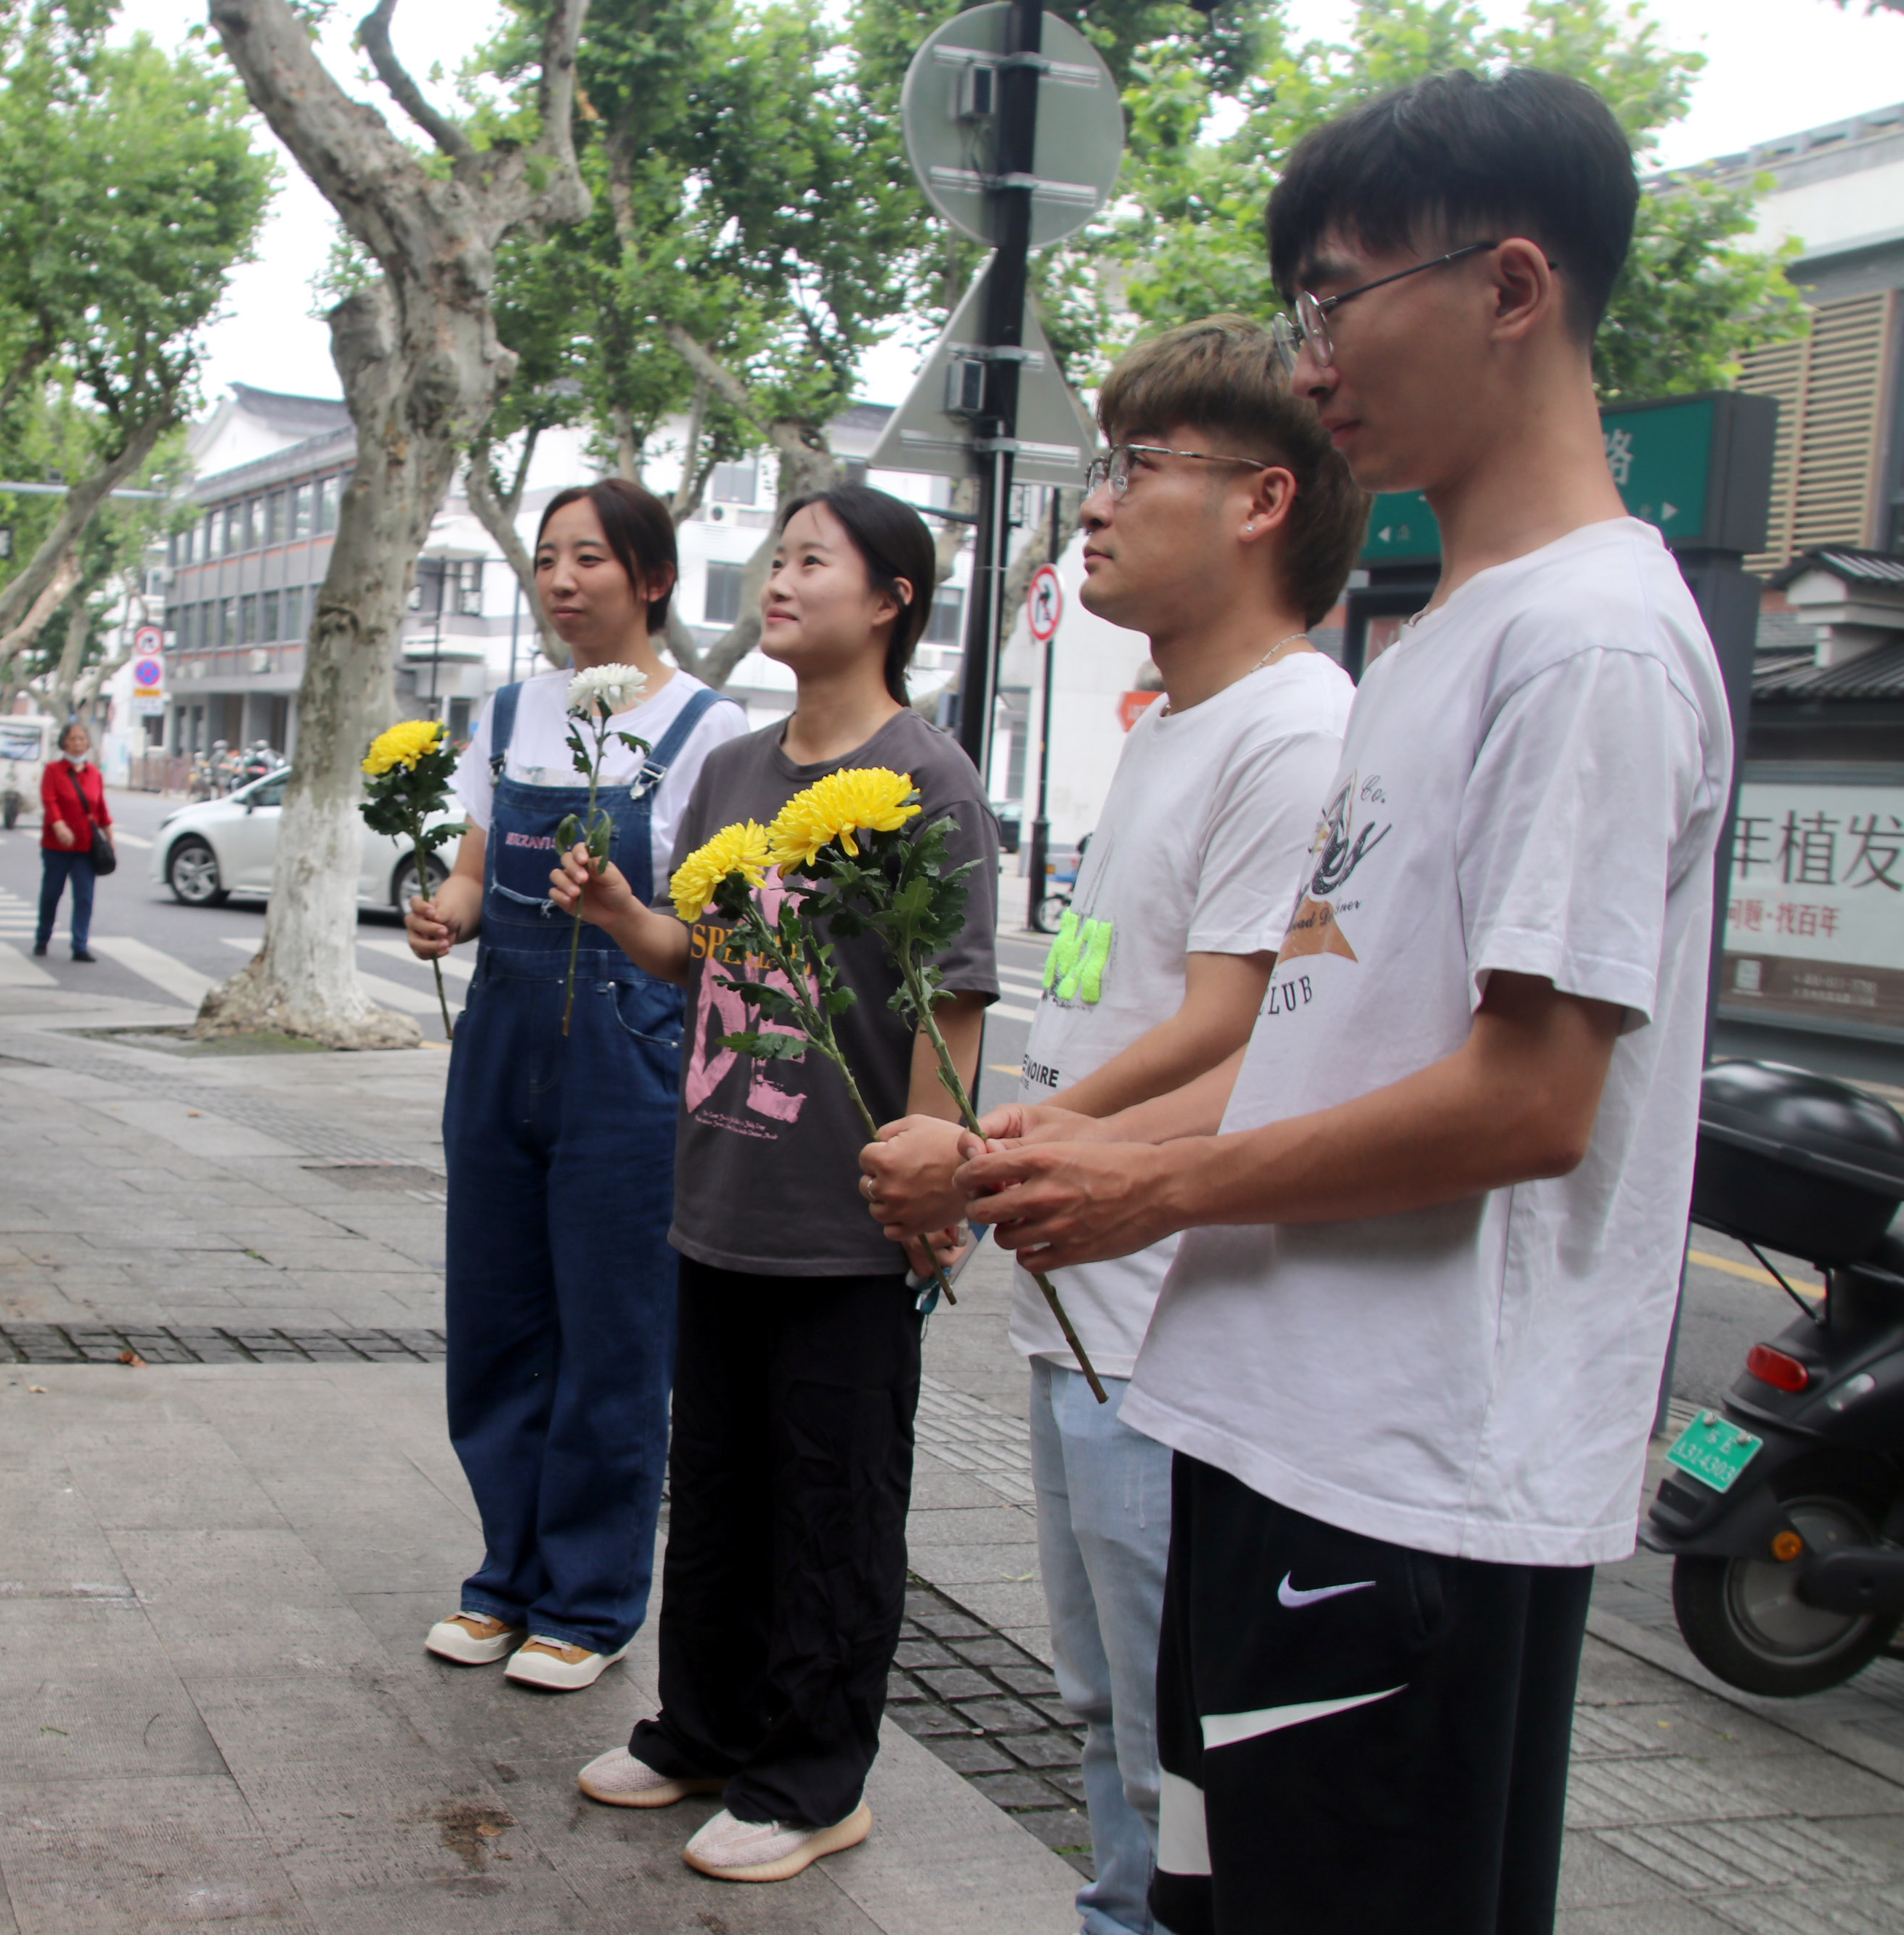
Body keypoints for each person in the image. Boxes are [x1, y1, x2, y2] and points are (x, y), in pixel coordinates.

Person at [956, 70, 1731, 1935]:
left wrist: (1155, 1186)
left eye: (1338, 299)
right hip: (1280, 1432)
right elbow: (1321, 1040)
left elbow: (1528, 1103)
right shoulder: (1443, 639)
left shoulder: (1593, 644)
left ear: (1513, 287)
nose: (1312, 360)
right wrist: (1073, 1146)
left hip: (1413, 1481)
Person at [864, 316, 1364, 1935]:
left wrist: (987, 1153)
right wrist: (1008, 1158)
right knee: (1102, 1708)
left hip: (1171, 1326)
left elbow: (1236, 1028)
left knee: (1167, 1735)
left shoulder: (1295, 726)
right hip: (1085, 1294)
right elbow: (1125, 995)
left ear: (1262, 500)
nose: (1093, 502)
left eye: (1138, 465)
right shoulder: (1173, 724)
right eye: (1100, 464)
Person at [546, 484, 994, 1884]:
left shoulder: (925, 778)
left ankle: (810, 1779)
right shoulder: (735, 771)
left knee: (829, 1505)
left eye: (813, 559)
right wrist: (622, 915)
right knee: (718, 1488)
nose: (778, 580)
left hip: (843, 1215)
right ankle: (700, 1730)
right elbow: (699, 958)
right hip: (719, 1191)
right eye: (775, 557)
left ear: (892, 600)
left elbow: (950, 999)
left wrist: (931, 1183)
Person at [404, 479, 751, 1695]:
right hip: (500, 1044)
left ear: (651, 578)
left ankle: (589, 1602)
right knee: (496, 1323)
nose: (560, 579)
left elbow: (713, 933)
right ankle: (505, 1577)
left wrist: (618, 912)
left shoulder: (707, 726)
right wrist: (444, 913)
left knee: (614, 1334)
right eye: (548, 556)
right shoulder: (510, 711)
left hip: (629, 1057)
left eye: (589, 557)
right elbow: (469, 869)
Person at [36, 719, 110, 962]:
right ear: (64, 743)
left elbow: (101, 809)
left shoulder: (95, 774)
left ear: (88, 744)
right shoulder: (53, 770)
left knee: (85, 898)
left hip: (86, 848)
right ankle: (43, 937)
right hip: (57, 847)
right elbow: (49, 801)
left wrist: (109, 839)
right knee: (52, 894)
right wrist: (59, 826)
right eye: (72, 739)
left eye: (82, 739)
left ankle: (80, 945)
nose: (77, 744)